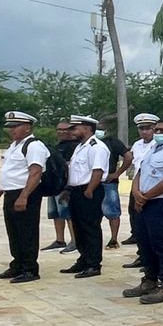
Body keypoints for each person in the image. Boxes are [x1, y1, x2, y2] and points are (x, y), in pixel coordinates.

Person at [121, 116, 163, 304]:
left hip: (162, 204)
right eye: (156, 129)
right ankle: (149, 280)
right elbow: (139, 173)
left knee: (162, 246)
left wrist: (146, 196)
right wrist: (137, 194)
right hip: (143, 203)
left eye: (162, 130)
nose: (157, 133)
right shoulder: (152, 150)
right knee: (145, 244)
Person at [0, 110, 50, 283]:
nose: (11, 130)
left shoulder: (34, 146)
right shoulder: (14, 146)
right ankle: (17, 265)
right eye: (10, 127)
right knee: (14, 232)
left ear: (27, 127)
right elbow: (7, 173)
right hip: (11, 193)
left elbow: (36, 172)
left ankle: (30, 269)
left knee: (27, 232)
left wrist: (24, 196)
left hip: (26, 193)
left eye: (16, 126)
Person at [62, 114, 110, 278]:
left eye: (75, 128)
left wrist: (90, 190)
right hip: (77, 191)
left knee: (90, 227)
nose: (72, 132)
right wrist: (68, 190)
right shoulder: (80, 146)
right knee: (78, 227)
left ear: (87, 128)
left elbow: (98, 170)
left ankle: (93, 264)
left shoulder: (97, 147)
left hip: (89, 191)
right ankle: (83, 258)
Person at [121, 115, 159, 270]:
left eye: (148, 128)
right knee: (138, 224)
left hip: (153, 189)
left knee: (154, 226)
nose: (145, 131)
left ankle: (154, 259)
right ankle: (142, 256)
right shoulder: (137, 145)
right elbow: (136, 168)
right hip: (137, 188)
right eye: (141, 128)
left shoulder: (160, 144)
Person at [43, 120, 77, 251]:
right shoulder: (57, 146)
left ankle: (74, 240)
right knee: (55, 213)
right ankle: (59, 239)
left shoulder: (74, 146)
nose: (62, 132)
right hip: (54, 185)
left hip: (65, 185)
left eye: (65, 129)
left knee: (67, 213)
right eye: (59, 129)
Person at [98, 120, 129, 250]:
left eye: (101, 128)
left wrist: (117, 173)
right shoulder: (89, 143)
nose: (98, 131)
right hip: (92, 183)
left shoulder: (113, 142)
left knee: (113, 212)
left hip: (109, 182)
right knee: (93, 213)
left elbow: (128, 157)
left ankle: (113, 239)